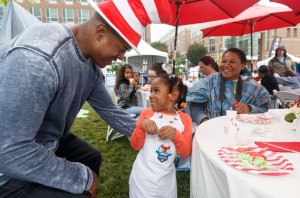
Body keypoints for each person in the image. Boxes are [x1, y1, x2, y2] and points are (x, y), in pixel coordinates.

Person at [0, 0, 173, 197]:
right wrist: (82, 178)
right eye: (122, 48)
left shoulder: (90, 66)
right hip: (9, 167)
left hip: (46, 140)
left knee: (91, 157)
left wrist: (151, 131)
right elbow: (10, 151)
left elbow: (110, 111)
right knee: (80, 186)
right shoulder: (39, 61)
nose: (120, 57)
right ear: (100, 31)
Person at [129, 74, 192, 198]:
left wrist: (176, 135)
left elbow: (186, 153)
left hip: (166, 184)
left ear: (173, 95)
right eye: (151, 91)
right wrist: (141, 125)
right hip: (142, 180)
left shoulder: (185, 120)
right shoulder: (147, 113)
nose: (151, 95)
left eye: (156, 91)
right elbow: (135, 146)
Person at [186, 48, 271, 125]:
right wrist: (204, 121)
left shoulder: (254, 88)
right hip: (213, 132)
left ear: (242, 65)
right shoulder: (209, 82)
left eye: (232, 62)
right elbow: (193, 104)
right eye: (223, 61)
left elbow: (267, 110)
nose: (226, 65)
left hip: (244, 134)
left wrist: (250, 109)